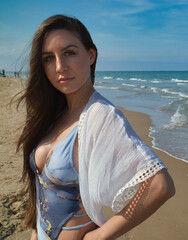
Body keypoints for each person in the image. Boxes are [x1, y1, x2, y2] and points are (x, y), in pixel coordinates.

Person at [15, 15, 175, 240]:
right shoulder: (54, 113)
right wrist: (34, 232)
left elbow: (161, 186)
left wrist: (100, 236)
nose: (60, 66)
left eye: (69, 53)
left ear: (91, 55)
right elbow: (42, 192)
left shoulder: (101, 116)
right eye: (49, 58)